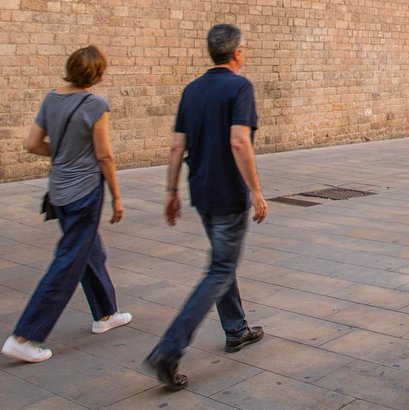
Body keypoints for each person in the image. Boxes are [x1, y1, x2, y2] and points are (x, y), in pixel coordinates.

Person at [144, 24, 268, 391]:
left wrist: (171, 191)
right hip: (229, 193)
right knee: (219, 269)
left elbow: (175, 146)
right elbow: (239, 143)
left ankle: (236, 329)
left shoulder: (192, 90)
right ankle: (169, 348)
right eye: (245, 48)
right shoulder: (239, 87)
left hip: (201, 191)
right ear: (237, 53)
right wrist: (257, 192)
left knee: (221, 261)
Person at [3, 46, 130, 364]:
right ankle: (24, 336)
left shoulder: (51, 98)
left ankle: (105, 313)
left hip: (59, 190)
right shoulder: (95, 104)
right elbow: (104, 155)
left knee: (90, 251)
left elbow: (33, 144)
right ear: (98, 74)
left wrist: (62, 154)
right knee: (67, 264)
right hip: (85, 192)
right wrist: (116, 197)